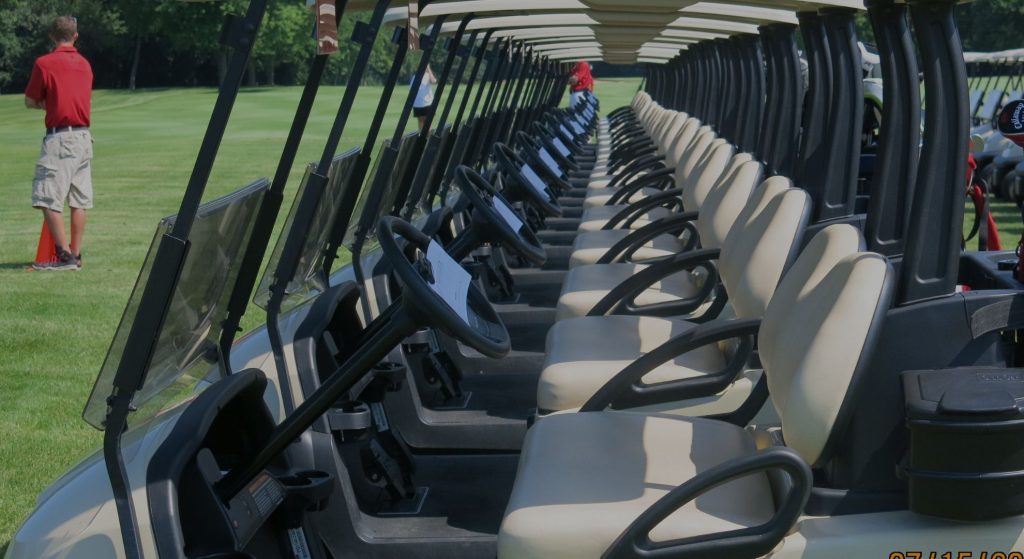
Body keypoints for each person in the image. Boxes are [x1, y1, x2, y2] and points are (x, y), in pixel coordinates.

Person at [24, 15, 94, 271]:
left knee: (47, 197)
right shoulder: (85, 64)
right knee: (79, 200)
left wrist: (45, 104)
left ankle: (64, 257)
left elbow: (31, 100)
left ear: (52, 37)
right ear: (75, 35)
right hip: (84, 137)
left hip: (60, 138)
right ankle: (76, 254)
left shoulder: (44, 63)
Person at [412, 64, 437, 132]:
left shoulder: (428, 76)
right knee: (420, 121)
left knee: (428, 122)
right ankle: (421, 136)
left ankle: (428, 137)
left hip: (427, 102)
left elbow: (433, 81)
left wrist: (429, 70)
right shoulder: (415, 76)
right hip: (418, 103)